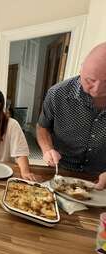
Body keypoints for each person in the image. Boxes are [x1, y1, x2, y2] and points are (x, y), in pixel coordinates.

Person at [37, 42, 106, 190]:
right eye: (90, 80)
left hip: (101, 176)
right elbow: (42, 127)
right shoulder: (57, 94)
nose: (97, 90)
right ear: (81, 69)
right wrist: (47, 149)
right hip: (63, 171)